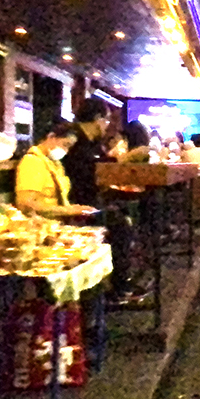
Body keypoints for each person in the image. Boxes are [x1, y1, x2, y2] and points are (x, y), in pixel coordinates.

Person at [61, 98, 133, 299]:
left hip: (90, 200)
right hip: (76, 205)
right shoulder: (74, 141)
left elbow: (101, 168)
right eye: (107, 120)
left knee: (123, 215)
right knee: (120, 227)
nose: (107, 125)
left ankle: (115, 283)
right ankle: (117, 288)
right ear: (97, 118)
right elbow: (86, 176)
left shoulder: (92, 143)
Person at [14, 120, 78, 216]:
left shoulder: (55, 164)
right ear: (51, 137)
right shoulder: (33, 162)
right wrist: (66, 211)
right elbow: (25, 204)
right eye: (65, 145)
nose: (66, 151)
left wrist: (74, 208)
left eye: (69, 147)